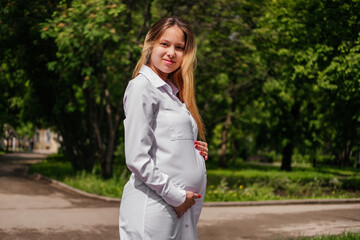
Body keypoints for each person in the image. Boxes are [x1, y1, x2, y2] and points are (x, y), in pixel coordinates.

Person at [119, 17, 208, 240]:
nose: (172, 53)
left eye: (180, 47)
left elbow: (167, 141)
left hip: (180, 209)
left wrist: (194, 152)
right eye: (164, 44)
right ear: (150, 45)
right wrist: (176, 196)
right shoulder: (142, 87)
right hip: (156, 207)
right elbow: (136, 157)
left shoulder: (173, 93)